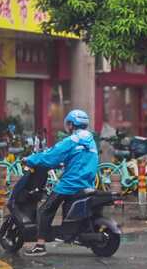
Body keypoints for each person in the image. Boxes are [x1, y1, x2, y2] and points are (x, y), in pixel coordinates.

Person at [23, 109, 98, 256]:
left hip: (70, 184)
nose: (68, 126)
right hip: (87, 183)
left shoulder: (72, 140)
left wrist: (30, 159)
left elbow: (51, 155)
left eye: (68, 123)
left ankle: (40, 245)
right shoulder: (90, 139)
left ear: (71, 124)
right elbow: (78, 158)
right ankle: (71, 233)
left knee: (44, 210)